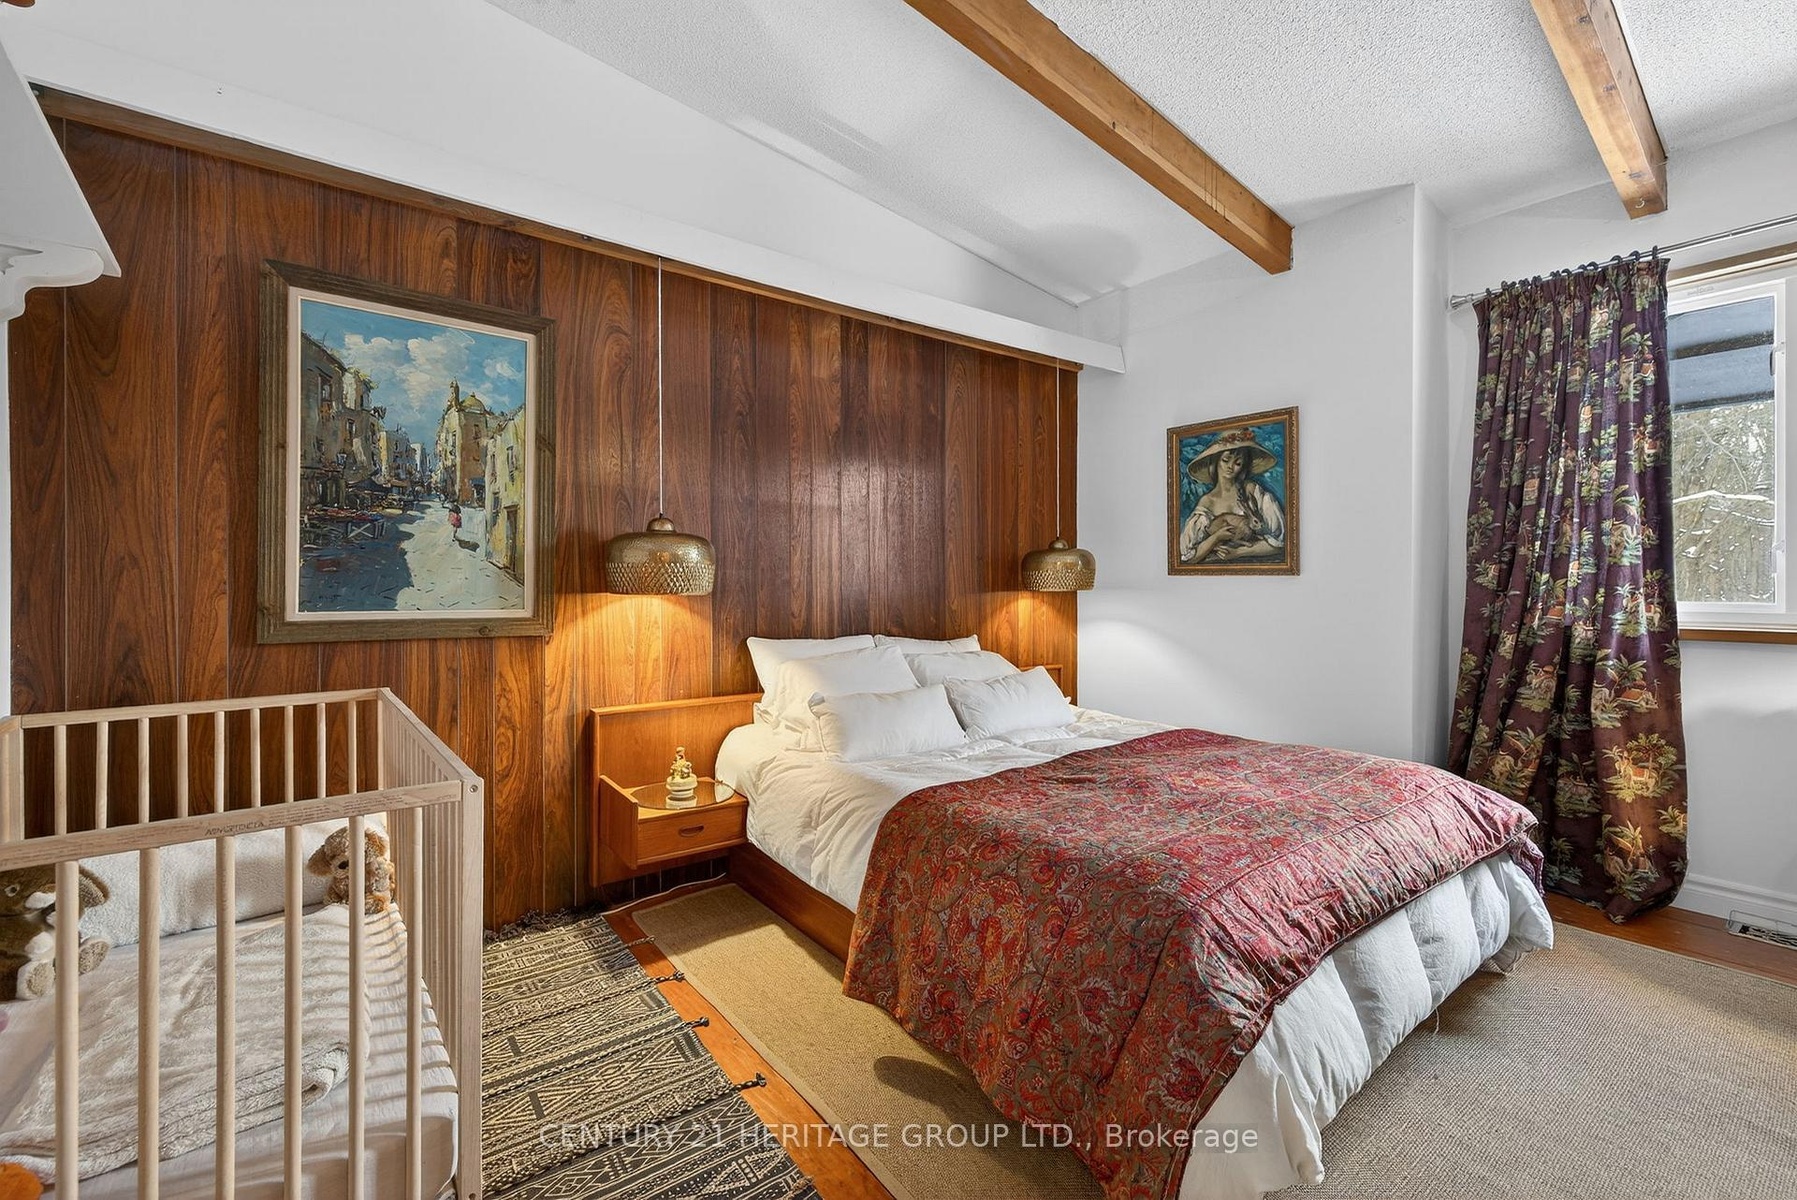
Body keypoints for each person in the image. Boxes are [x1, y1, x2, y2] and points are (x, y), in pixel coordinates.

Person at [1178, 428, 1286, 564]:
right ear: (1216, 462)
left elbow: (1279, 543)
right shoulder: (1207, 502)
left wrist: (1238, 552)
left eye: (1238, 463)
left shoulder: (1251, 491)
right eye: (1225, 460)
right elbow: (1188, 557)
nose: (1230, 467)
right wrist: (1216, 537)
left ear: (1243, 466)